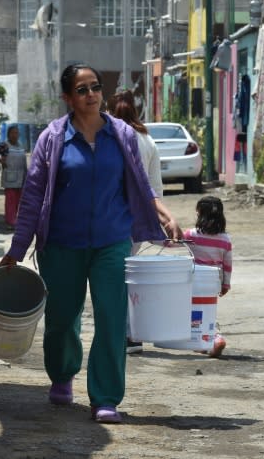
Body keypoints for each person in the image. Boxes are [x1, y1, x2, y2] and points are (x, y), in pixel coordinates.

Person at [0, 63, 182, 424]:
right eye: (82, 90)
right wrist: (16, 251)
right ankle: (63, 374)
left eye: (95, 87)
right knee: (63, 319)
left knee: (112, 320)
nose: (91, 94)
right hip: (62, 245)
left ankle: (106, 396)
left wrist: (162, 212)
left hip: (111, 243)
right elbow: (33, 198)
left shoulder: (122, 135)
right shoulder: (52, 138)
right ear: (67, 97)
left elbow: (140, 184)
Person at [109, 89, 163, 355]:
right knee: (128, 275)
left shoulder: (108, 136)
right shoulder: (147, 140)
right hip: (138, 218)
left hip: (111, 216)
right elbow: (156, 185)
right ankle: (132, 333)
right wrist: (157, 217)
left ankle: (124, 334)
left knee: (114, 277)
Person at [184, 196, 232, 358]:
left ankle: (210, 339)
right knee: (209, 311)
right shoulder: (225, 239)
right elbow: (227, 265)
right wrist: (226, 285)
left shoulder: (192, 235)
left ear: (199, 214)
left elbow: (170, 243)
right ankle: (208, 341)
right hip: (214, 282)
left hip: (195, 282)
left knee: (196, 313)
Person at [0, 124, 28, 228]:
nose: (15, 135)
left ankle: (14, 219)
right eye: (13, 133)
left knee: (18, 201)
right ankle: (10, 221)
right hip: (10, 178)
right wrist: (2, 161)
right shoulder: (5, 145)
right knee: (10, 200)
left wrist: (27, 174)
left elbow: (24, 161)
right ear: (8, 134)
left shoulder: (20, 145)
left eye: (17, 133)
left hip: (21, 177)